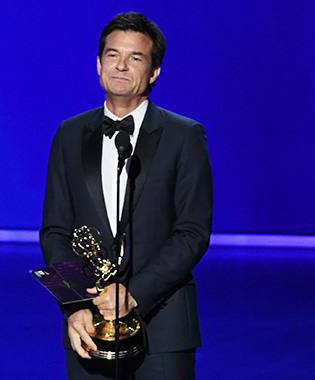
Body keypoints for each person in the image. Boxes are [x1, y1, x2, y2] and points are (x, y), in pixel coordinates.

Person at [40, 11, 213, 379]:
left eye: (135, 58)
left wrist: (134, 293)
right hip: (87, 326)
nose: (120, 66)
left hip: (163, 328)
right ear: (98, 64)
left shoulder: (184, 136)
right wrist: (74, 305)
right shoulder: (69, 135)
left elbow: (193, 232)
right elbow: (54, 231)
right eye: (112, 55)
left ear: (154, 73)